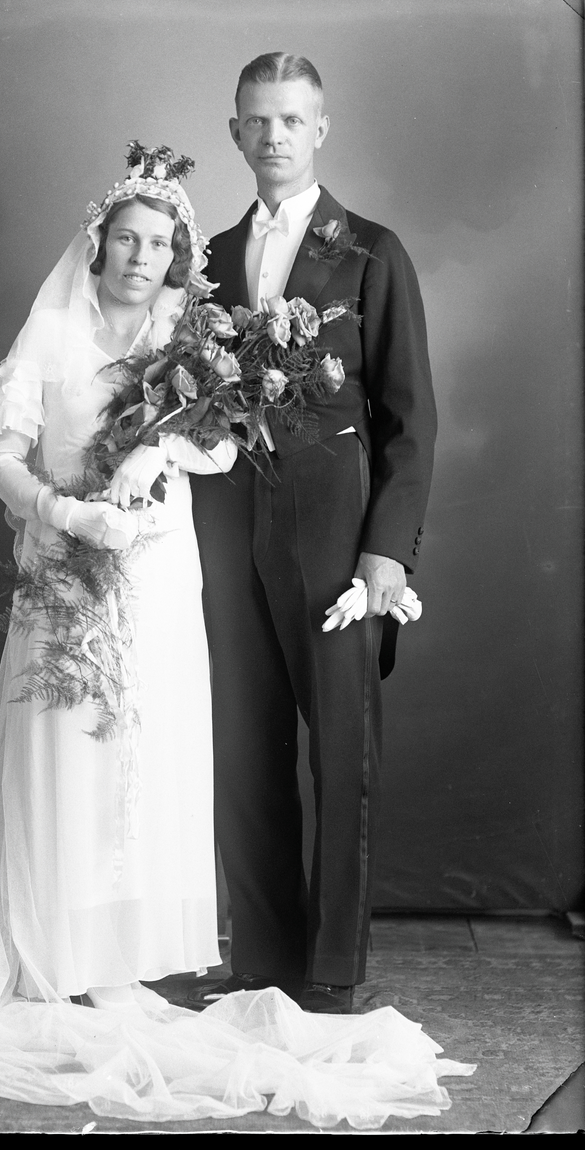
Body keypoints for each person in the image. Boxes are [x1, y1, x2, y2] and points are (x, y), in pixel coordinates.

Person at [0, 144, 471, 1127]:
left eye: (158, 244)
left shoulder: (187, 331)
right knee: (66, 752)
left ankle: (132, 958)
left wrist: (159, 450)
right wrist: (65, 514)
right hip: (68, 566)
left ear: (176, 255)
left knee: (150, 760)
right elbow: (1, 452)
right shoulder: (56, 330)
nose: (141, 257)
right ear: (98, 243)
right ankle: (59, 951)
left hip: (158, 576)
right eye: (126, 239)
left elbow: (229, 434)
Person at [188, 53, 438, 1016]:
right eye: (257, 120)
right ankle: (261, 958)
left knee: (340, 748)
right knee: (243, 743)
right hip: (225, 528)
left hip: (336, 536)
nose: (274, 136)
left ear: (321, 129)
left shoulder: (371, 251)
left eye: (292, 119)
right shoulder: (209, 258)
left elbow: (410, 419)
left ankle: (333, 968)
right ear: (235, 133)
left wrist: (387, 552)